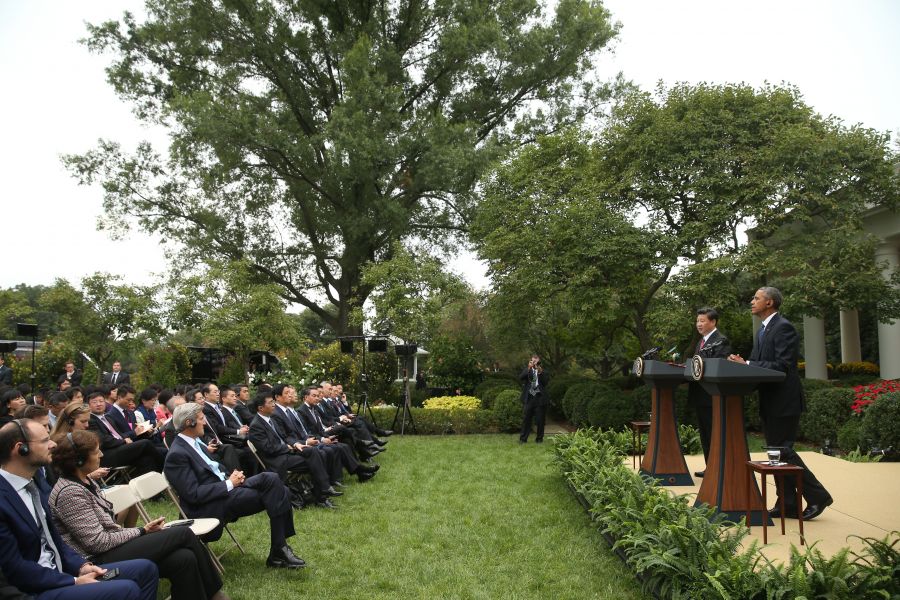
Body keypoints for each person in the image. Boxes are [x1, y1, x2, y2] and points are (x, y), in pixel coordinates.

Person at [48, 430, 226, 600]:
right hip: (95, 560)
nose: (101, 455)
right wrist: (142, 531)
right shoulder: (69, 493)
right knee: (183, 533)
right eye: (96, 452)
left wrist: (141, 531)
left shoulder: (84, 480)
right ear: (79, 461)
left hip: (111, 548)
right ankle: (216, 595)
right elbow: (97, 543)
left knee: (183, 559)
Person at [0, 419, 159, 599]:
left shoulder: (32, 485)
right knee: (127, 589)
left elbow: (56, 542)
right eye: (44, 441)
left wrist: (81, 566)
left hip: (63, 572)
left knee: (146, 570)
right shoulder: (5, 498)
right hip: (36, 588)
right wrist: (72, 581)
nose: (53, 444)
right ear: (21, 448)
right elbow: (13, 568)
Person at [728, 287, 833, 520]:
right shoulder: (762, 330)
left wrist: (746, 364)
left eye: (756, 298)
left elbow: (783, 366)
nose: (752, 301)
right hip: (769, 399)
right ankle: (787, 503)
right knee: (775, 452)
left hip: (784, 400)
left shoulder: (783, 327)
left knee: (784, 451)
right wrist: (742, 364)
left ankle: (818, 496)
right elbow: (758, 363)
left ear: (770, 302)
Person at [163, 403, 305, 569]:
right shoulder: (177, 455)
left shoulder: (195, 442)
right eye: (201, 419)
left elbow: (213, 468)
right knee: (283, 491)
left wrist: (231, 477)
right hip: (211, 504)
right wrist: (230, 483)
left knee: (271, 479)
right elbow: (193, 494)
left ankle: (279, 550)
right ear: (189, 423)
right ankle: (279, 549)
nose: (205, 422)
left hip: (226, 489)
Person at [687, 307, 732, 478]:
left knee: (714, 433)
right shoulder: (701, 342)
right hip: (700, 395)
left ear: (713, 322)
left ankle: (719, 467)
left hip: (712, 395)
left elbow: (719, 365)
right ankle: (710, 467)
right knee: (705, 434)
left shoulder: (721, 340)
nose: (699, 324)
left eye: (702, 321)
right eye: (697, 321)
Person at [519, 354, 549, 444]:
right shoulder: (527, 370)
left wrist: (540, 372)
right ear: (531, 360)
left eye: (536, 359)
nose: (535, 361)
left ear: (539, 360)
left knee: (540, 420)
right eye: (533, 360)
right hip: (529, 399)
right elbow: (521, 377)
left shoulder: (542, 371)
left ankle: (539, 439)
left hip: (540, 399)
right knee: (526, 419)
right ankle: (523, 439)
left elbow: (545, 382)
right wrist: (529, 368)